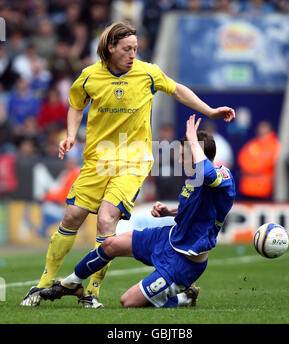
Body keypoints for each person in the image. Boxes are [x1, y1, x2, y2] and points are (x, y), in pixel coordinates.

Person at [21, 22, 235, 309]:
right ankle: (44, 283)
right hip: (98, 159)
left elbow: (177, 89)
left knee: (107, 217)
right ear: (110, 48)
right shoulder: (90, 76)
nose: (133, 54)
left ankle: (91, 292)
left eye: (135, 48)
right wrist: (71, 136)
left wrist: (209, 110)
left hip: (134, 160)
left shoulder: (148, 73)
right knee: (72, 215)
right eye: (127, 49)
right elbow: (75, 104)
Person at [39, 114, 236, 308]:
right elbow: (198, 211)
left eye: (184, 155)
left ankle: (184, 298)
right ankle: (72, 283)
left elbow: (208, 174)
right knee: (110, 244)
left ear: (196, 153)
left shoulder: (222, 177)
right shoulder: (194, 176)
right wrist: (170, 211)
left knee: (128, 302)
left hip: (184, 261)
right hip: (168, 238)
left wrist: (193, 141)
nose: (180, 159)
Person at [237, 120, 280, 201]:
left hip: (265, 189)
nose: (261, 129)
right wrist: (253, 166)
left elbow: (267, 162)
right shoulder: (252, 144)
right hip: (247, 187)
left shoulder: (274, 145)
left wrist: (254, 165)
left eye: (264, 127)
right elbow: (243, 160)